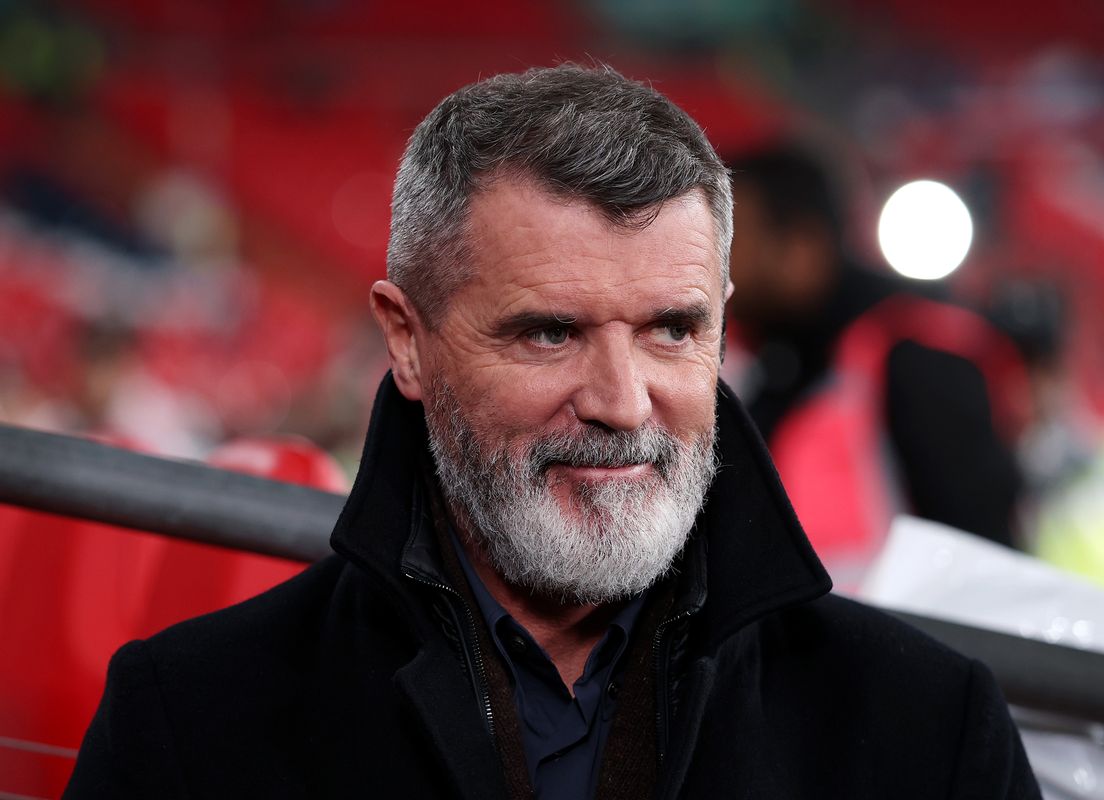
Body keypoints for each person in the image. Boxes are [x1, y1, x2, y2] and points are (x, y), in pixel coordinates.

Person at [66, 65, 1039, 798]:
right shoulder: (190, 722)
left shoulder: (930, 729)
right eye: (549, 331)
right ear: (408, 340)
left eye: (672, 328)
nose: (623, 399)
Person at [724, 146, 1026, 585]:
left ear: (802, 246)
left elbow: (982, 544)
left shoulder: (914, 354)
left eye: (736, 240)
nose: (722, 264)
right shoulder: (779, 367)